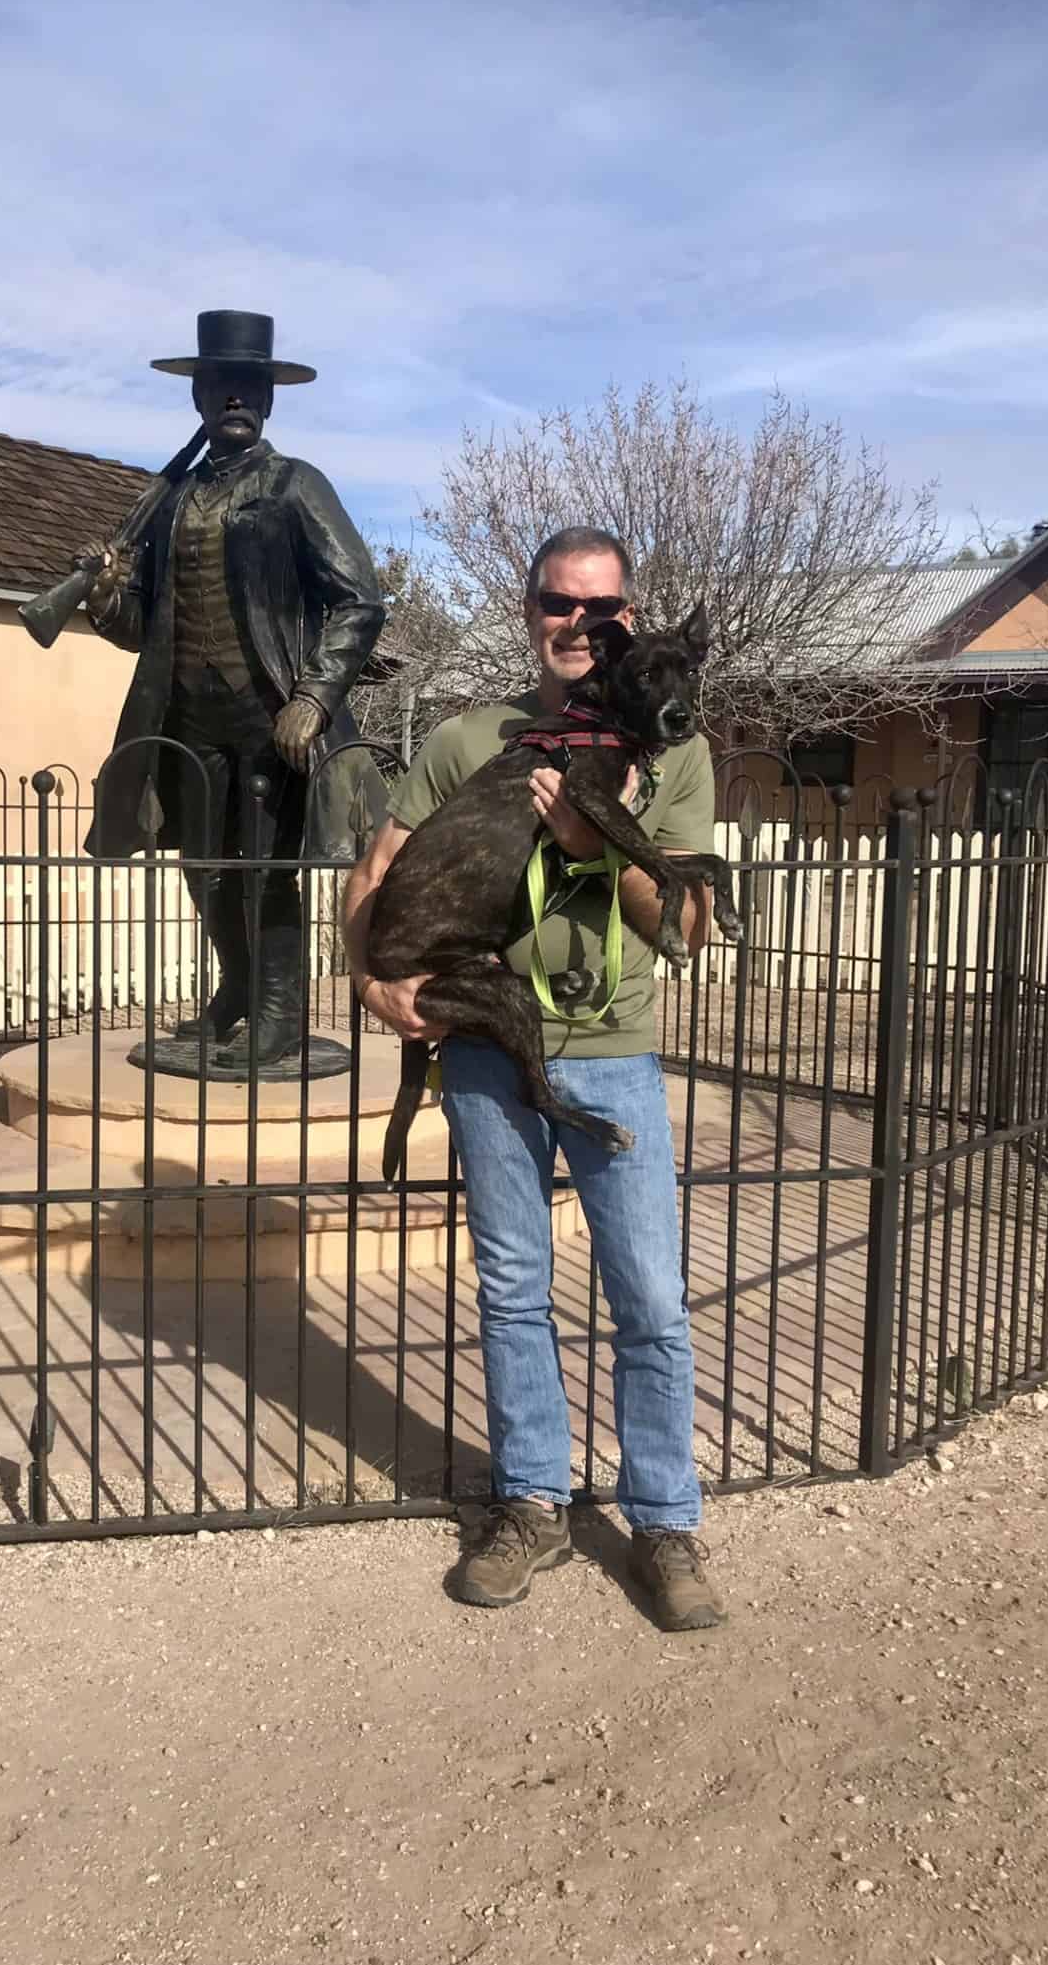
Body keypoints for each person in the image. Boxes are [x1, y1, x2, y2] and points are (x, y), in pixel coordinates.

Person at [342, 528, 725, 1630]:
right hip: (484, 1052)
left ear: (630, 622)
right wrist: (373, 987)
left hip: (613, 1052)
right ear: (530, 610)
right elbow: (373, 871)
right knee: (512, 1292)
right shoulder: (472, 736)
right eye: (560, 604)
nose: (580, 626)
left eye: (602, 611)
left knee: (648, 1300)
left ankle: (664, 1522)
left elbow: (687, 926)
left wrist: (602, 848)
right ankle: (532, 1509)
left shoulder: (672, 748)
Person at [82, 309, 385, 1067]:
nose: (236, 400)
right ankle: (239, 989)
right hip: (185, 716)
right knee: (201, 867)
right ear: (200, 396)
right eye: (222, 386)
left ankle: (279, 1015)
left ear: (269, 398)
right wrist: (106, 597)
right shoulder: (173, 501)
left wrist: (313, 698)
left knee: (265, 869)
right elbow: (143, 629)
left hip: (271, 713)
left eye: (249, 387)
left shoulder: (294, 487)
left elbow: (360, 597)